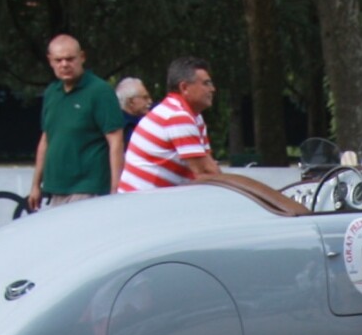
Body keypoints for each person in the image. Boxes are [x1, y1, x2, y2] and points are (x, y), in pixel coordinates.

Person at [28, 34, 126, 210]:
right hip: (56, 188)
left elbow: (116, 141)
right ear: (50, 61)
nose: (64, 64)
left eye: (70, 59)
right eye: (58, 60)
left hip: (89, 187)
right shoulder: (52, 92)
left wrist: (115, 188)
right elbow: (46, 139)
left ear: (82, 57)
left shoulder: (100, 91)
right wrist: (36, 185)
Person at [116, 57, 220, 192]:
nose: (212, 89)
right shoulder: (177, 116)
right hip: (141, 200)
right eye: (206, 84)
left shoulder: (193, 116)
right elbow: (203, 173)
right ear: (184, 87)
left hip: (153, 198)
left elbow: (208, 166)